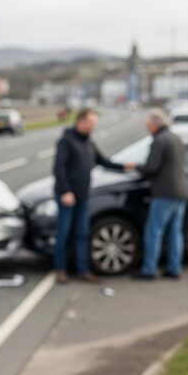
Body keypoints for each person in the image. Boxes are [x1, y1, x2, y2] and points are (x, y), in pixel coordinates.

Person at [52, 108, 125, 283]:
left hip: (83, 196)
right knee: (64, 233)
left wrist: (125, 166)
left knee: (82, 233)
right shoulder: (66, 141)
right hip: (68, 197)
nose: (93, 127)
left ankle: (83, 270)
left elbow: (103, 161)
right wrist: (65, 191)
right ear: (81, 121)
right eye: (91, 123)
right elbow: (59, 168)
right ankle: (60, 269)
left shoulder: (89, 143)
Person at [128, 109, 188, 280]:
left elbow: (151, 167)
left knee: (154, 230)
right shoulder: (176, 138)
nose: (148, 128)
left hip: (164, 192)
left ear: (155, 124)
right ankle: (174, 268)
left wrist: (135, 167)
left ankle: (149, 269)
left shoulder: (159, 141)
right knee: (175, 232)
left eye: (148, 125)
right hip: (181, 191)